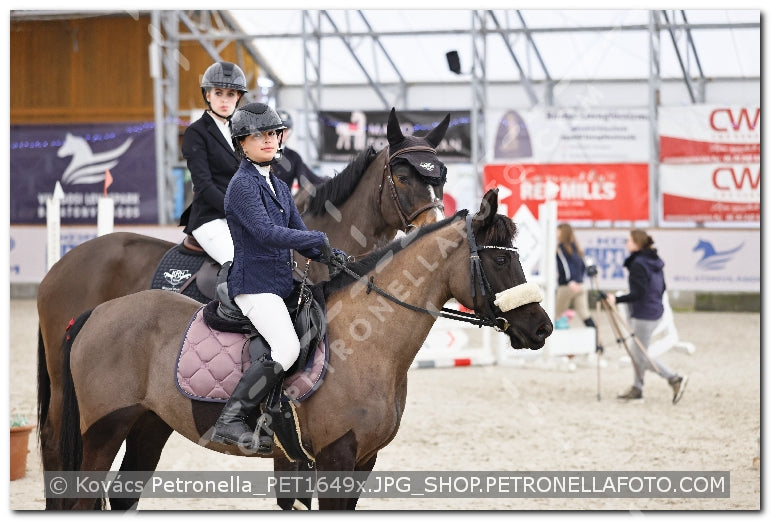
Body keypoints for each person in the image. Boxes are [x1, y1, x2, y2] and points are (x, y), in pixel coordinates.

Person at [210, 103, 346, 452]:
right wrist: (316, 239)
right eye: (258, 135)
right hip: (253, 286)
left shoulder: (280, 186)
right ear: (242, 143)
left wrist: (331, 255)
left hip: (281, 284)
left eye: (272, 132)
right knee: (286, 347)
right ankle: (232, 418)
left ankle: (278, 410)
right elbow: (268, 233)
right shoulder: (241, 186)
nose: (268, 139)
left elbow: (300, 234)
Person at [605, 229, 688, 404]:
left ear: (636, 243)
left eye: (628, 241)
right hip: (655, 309)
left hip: (644, 314)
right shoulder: (654, 261)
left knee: (639, 355)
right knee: (638, 352)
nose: (626, 244)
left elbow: (638, 293)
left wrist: (616, 299)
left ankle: (673, 378)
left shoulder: (638, 264)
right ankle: (637, 388)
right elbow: (662, 287)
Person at [179, 61, 247, 265]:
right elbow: (204, 185)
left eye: (231, 94)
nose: (224, 100)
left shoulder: (241, 133)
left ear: (238, 98)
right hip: (210, 219)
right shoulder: (196, 133)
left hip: (238, 217)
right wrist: (236, 210)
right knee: (238, 262)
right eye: (218, 93)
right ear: (208, 95)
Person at [273, 109, 328, 190]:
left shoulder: (294, 157)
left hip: (284, 201)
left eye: (285, 130)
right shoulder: (260, 153)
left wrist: (328, 181)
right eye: (279, 130)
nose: (282, 133)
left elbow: (307, 178)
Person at [555, 223, 596, 330]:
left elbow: (565, 267)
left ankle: (551, 342)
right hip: (581, 286)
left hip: (567, 286)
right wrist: (579, 280)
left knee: (556, 314)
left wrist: (570, 281)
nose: (556, 233)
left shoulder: (561, 248)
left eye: (557, 231)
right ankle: (597, 340)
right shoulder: (577, 248)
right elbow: (583, 266)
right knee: (585, 314)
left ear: (562, 233)